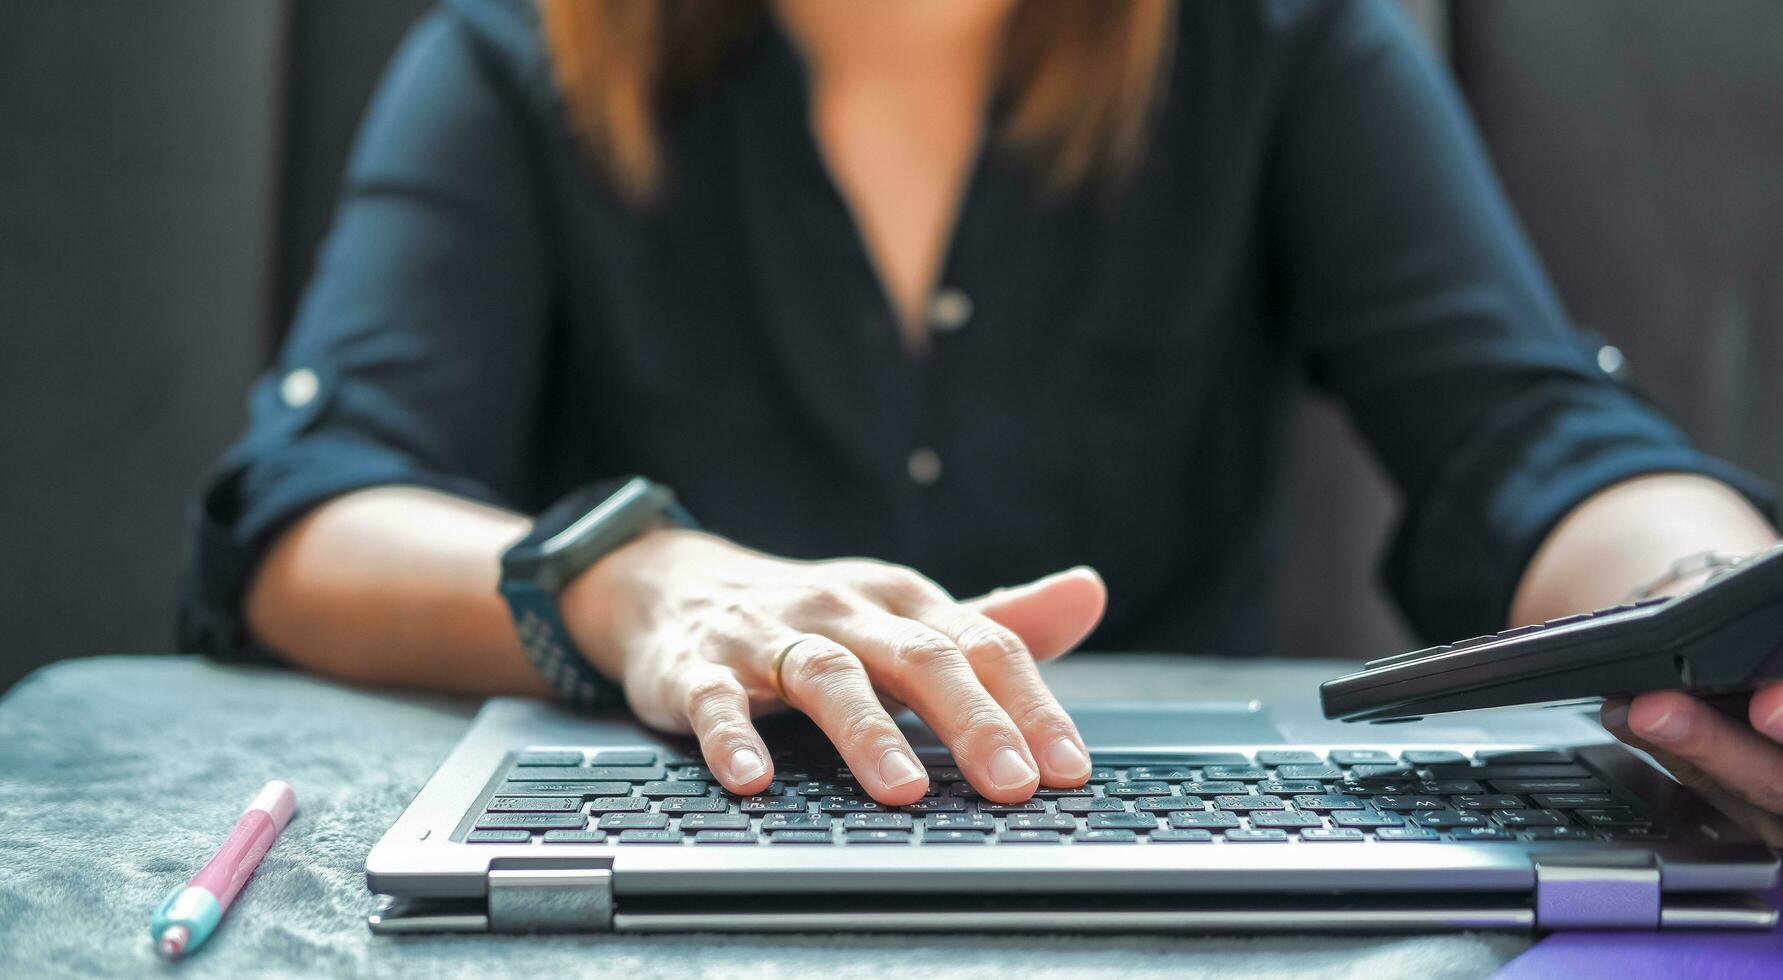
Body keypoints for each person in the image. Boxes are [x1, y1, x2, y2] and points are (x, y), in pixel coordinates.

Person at [181, 0, 1783, 839]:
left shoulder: (1286, 44)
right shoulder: (509, 59)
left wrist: (1722, 614)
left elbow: (1535, 438)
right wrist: (640, 582)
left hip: (1177, 897)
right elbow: (309, 509)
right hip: (678, 872)